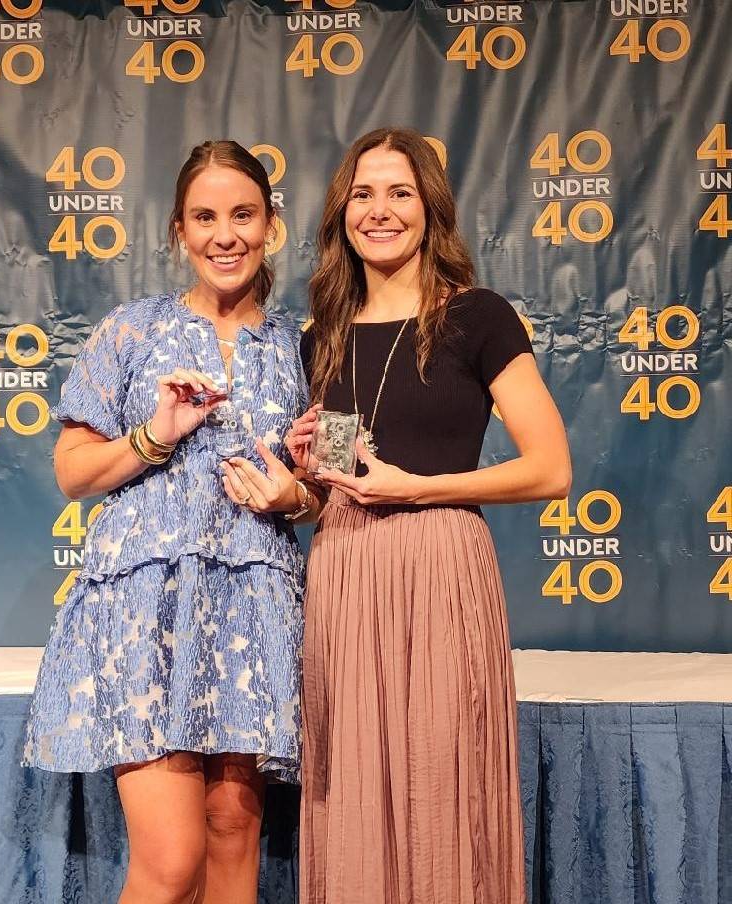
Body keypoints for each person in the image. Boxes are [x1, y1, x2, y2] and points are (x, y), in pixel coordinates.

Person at [23, 140, 318, 904]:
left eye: (243, 214)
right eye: (206, 217)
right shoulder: (131, 330)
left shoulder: (306, 345)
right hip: (143, 608)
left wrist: (295, 498)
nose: (227, 234)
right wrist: (157, 434)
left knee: (232, 838)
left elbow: (334, 486)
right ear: (180, 233)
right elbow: (71, 472)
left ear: (271, 226)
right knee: (174, 858)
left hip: (256, 611)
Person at [284, 127, 572, 903]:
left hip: (442, 563)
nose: (380, 211)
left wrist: (415, 489)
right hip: (344, 572)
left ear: (430, 208)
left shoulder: (477, 318)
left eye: (400, 193)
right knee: (352, 791)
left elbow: (550, 469)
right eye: (363, 194)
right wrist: (301, 465)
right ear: (342, 211)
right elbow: (336, 481)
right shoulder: (323, 337)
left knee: (442, 784)